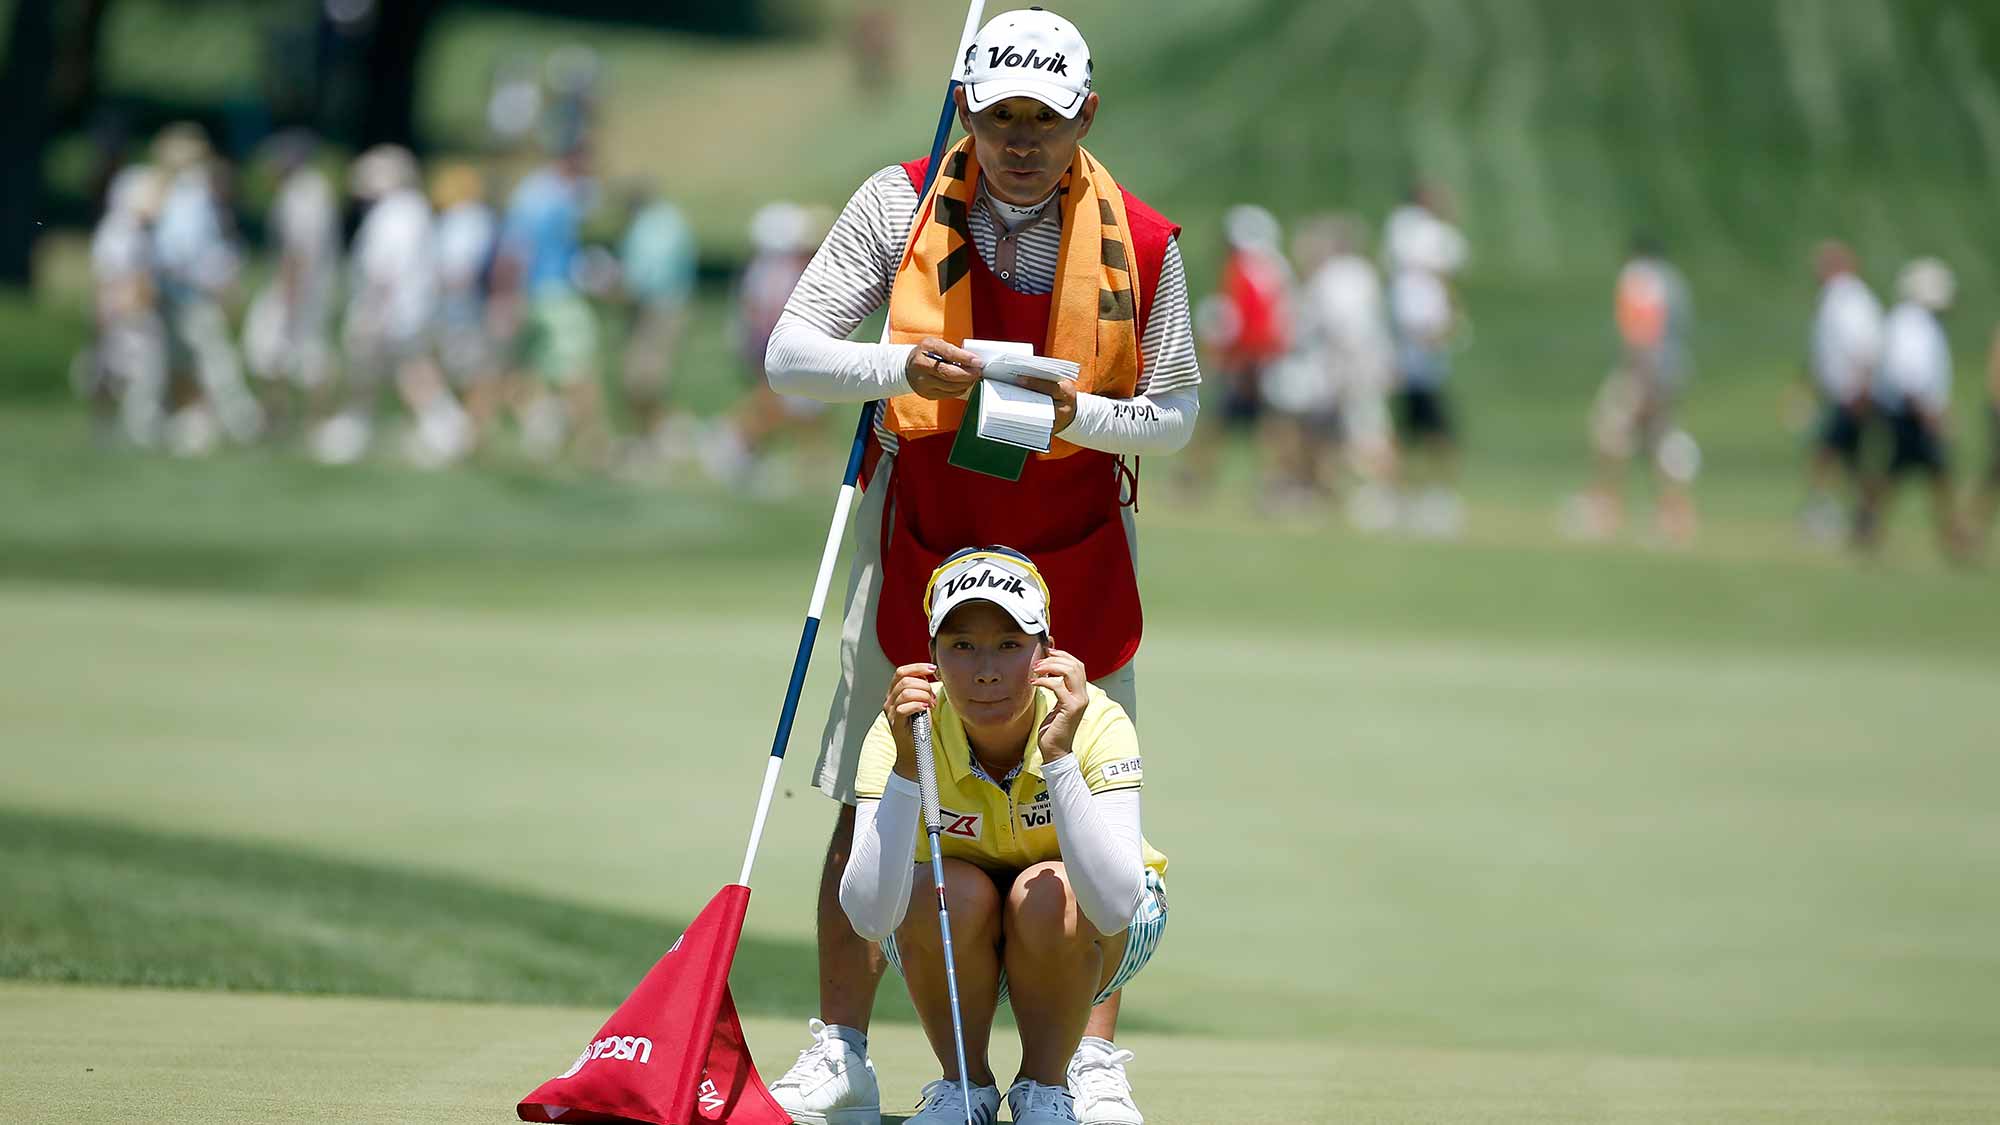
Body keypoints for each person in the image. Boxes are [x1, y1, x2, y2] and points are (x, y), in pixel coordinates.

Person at [762, 10, 1200, 1124]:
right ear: (963, 107)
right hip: (922, 542)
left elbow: (1177, 416)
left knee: (1092, 801)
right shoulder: (894, 201)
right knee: (872, 792)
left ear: (1083, 118)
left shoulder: (1145, 241)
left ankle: (1089, 1061)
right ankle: (840, 1048)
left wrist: (1081, 413)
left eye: (1042, 122)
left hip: (1076, 549)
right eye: (998, 116)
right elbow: (791, 353)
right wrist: (899, 363)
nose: (1018, 142)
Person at [840, 547, 1168, 1125]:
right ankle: (964, 1087)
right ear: (933, 657)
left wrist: (1060, 757)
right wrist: (904, 772)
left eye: (1010, 645)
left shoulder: (1095, 718)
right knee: (942, 891)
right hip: (948, 921)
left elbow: (1116, 906)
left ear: (1046, 653)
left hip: (1103, 925)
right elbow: (869, 916)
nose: (985, 669)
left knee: (1049, 893)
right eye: (961, 645)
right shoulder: (903, 725)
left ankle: (1046, 1089)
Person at [1570, 234, 1698, 545]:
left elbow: (1641, 331)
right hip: (1670, 371)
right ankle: (1674, 514)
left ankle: (1606, 509)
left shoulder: (1639, 278)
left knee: (1610, 435)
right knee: (1657, 441)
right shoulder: (1675, 282)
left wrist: (1642, 377)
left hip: (1643, 371)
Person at [151, 122, 263, 452]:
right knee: (181, 360)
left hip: (193, 288)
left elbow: (191, 246)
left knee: (214, 358)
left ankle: (243, 421)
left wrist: (217, 280)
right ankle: (194, 418)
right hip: (176, 287)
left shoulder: (193, 192)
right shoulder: (175, 190)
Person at [491, 142, 605, 464]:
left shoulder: (544, 193)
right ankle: (589, 440)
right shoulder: (545, 197)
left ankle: (544, 425)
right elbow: (516, 251)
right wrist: (508, 296)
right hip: (551, 294)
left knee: (527, 368)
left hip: (541, 291)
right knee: (576, 368)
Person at [1287, 213, 1397, 527]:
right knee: (1337, 432)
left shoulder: (1337, 277)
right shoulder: (1360, 273)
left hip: (1350, 366)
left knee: (1366, 431)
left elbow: (1343, 327)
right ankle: (1326, 490)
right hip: (1350, 365)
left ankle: (1380, 495)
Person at [1855, 258, 1966, 558]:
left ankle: (1869, 525)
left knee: (1906, 473)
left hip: (1907, 410)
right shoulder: (1913, 323)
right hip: (1912, 412)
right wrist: (1928, 412)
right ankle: (1953, 535)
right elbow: (1909, 373)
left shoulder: (1908, 320)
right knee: (1935, 474)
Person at [241, 130, 340, 433]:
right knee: (290, 353)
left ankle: (297, 419)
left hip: (298, 286)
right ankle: (282, 417)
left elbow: (296, 251)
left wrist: (289, 291)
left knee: (281, 350)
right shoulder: (314, 190)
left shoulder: (299, 195)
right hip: (312, 285)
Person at [1383, 183, 1467, 535]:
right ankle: (1415, 495)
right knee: (1420, 423)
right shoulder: (1416, 231)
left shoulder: (1409, 231)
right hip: (1417, 339)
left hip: (1421, 338)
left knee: (1422, 422)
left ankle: (1424, 495)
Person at [80, 163, 168, 448]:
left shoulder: (137, 230)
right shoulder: (119, 230)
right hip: (124, 314)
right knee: (124, 373)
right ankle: (129, 430)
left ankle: (131, 429)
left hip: (132, 313)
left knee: (136, 375)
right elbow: (113, 279)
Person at [1801, 241, 1883, 542]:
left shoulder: (1848, 300)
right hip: (1843, 391)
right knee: (1850, 459)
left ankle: (1827, 511)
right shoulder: (1840, 298)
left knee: (1829, 453)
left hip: (1851, 394)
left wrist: (1860, 389)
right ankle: (1862, 516)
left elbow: (1861, 348)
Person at [616, 181, 698, 458]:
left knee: (644, 378)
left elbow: (642, 276)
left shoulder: (649, 228)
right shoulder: (671, 220)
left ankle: (661, 435)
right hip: (668, 305)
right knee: (644, 377)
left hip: (656, 307)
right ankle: (650, 435)